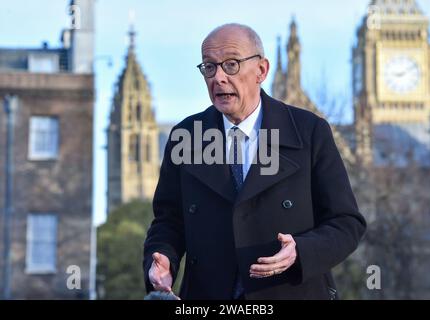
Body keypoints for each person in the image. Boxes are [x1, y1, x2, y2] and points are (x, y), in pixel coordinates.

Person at [143, 23, 366, 300]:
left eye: (231, 64)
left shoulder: (308, 131)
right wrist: (163, 258)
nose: (219, 77)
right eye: (209, 67)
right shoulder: (186, 136)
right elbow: (169, 221)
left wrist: (302, 251)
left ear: (261, 70)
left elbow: (346, 222)